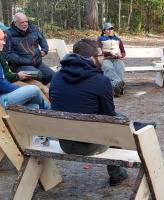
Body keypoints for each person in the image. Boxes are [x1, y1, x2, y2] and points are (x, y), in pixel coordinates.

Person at [49, 39, 128, 186]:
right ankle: (116, 174)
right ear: (92, 58)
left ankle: (117, 173)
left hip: (65, 143)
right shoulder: (101, 80)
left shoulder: (57, 76)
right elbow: (110, 116)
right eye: (100, 55)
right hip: (90, 145)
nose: (103, 58)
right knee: (120, 121)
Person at [0, 24, 48, 109]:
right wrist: (20, 89)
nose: (4, 42)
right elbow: (3, 86)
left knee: (34, 107)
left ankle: (44, 110)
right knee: (34, 90)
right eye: (1, 39)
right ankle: (48, 110)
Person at [0, 20, 50, 101]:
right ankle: (48, 109)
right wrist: (17, 76)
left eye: (5, 32)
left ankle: (49, 106)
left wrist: (44, 50)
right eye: (2, 33)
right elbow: (0, 81)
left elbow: (5, 72)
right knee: (36, 88)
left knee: (41, 85)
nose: (5, 35)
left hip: (12, 77)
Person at [3, 12, 55, 85]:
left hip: (37, 62)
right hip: (19, 66)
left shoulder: (34, 29)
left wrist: (44, 50)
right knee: (37, 74)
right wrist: (24, 59)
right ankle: (35, 91)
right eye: (22, 22)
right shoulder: (8, 34)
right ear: (15, 23)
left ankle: (42, 90)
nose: (25, 24)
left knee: (52, 75)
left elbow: (42, 40)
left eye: (26, 22)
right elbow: (7, 54)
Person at [97, 22, 126, 97]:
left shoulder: (118, 39)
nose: (110, 31)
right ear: (104, 31)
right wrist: (110, 53)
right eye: (108, 29)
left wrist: (120, 55)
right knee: (108, 68)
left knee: (120, 68)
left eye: (112, 29)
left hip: (117, 59)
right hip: (106, 59)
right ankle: (118, 85)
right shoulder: (100, 39)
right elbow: (99, 52)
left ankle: (117, 89)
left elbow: (123, 52)